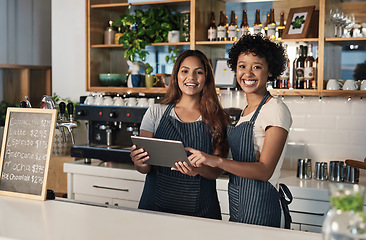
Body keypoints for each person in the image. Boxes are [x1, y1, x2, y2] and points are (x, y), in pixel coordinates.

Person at [186, 34, 293, 227]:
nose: (248, 73)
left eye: (257, 67)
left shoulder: (275, 109)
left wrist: (217, 160)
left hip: (263, 211)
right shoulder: (245, 112)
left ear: (270, 71)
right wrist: (201, 166)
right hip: (239, 208)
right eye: (242, 66)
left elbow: (264, 171)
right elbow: (236, 164)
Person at [130, 49, 231, 220]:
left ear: (206, 78)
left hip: (202, 212)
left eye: (198, 72)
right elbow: (145, 168)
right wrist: (138, 161)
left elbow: (216, 172)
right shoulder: (156, 112)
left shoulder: (218, 118)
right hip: (155, 209)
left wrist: (198, 170)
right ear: (176, 76)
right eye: (185, 71)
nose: (191, 77)